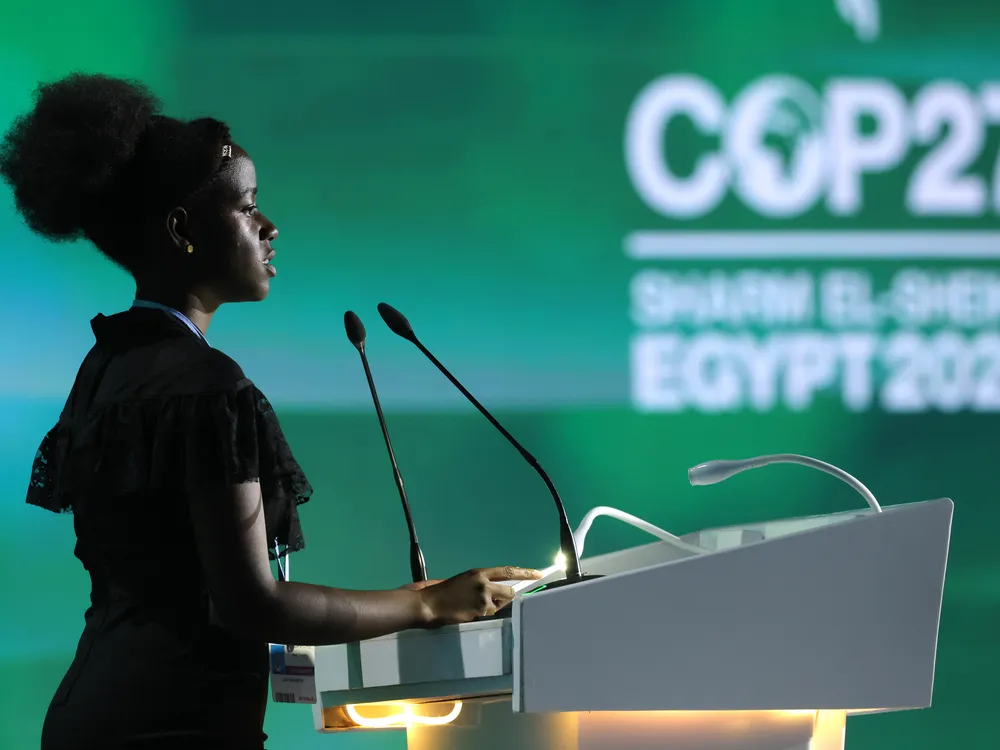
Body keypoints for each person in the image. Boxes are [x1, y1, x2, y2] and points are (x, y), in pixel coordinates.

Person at [0, 73, 542, 750]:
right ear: (183, 229)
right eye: (247, 206)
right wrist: (426, 603)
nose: (269, 225)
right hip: (172, 729)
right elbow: (251, 602)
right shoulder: (206, 386)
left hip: (91, 716)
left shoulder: (107, 365)